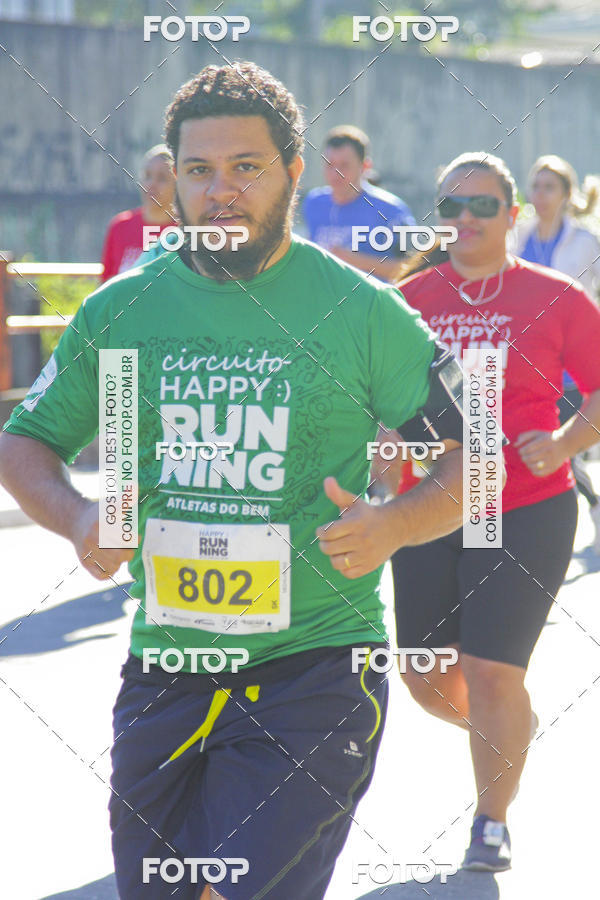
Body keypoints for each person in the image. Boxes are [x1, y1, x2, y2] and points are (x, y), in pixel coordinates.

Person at [0, 63, 466, 900]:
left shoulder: (362, 311)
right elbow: (25, 441)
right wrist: (76, 520)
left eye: (246, 167)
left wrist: (395, 524)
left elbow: (477, 456)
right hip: (164, 667)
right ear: (172, 179)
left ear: (294, 171)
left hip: (316, 666)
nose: (221, 191)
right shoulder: (123, 310)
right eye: (198, 170)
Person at [380, 152, 600, 873]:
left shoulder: (558, 295)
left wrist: (568, 439)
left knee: (491, 669)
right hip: (431, 508)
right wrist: (383, 448)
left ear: (512, 216)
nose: (465, 220)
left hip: (527, 507)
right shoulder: (407, 299)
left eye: (481, 207)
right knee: (421, 671)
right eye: (451, 208)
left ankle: (491, 821)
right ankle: (509, 733)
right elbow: (374, 397)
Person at [513, 154, 600, 551]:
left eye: (550, 187)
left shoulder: (585, 242)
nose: (541, 195)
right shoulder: (516, 233)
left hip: (567, 362)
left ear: (566, 194)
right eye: (536, 186)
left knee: (562, 443)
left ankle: (590, 508)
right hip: (522, 359)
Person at [302, 125, 415, 281]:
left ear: (365, 166)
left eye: (344, 165)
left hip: (372, 302)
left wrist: (355, 261)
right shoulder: (314, 202)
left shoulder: (391, 211)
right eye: (330, 164)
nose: (336, 173)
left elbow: (413, 267)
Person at [101, 144, 176, 281]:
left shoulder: (186, 233)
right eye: (147, 176)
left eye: (162, 178)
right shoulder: (120, 226)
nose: (151, 184)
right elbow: (106, 286)